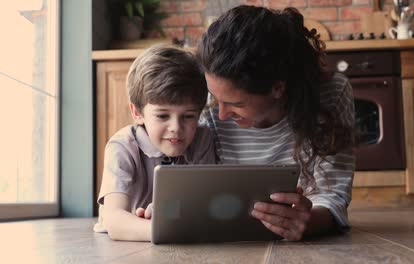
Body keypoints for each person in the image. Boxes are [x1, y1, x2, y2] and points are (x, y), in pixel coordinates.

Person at [197, 5, 355, 241]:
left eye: (236, 104)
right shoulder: (208, 101)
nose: (220, 115)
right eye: (215, 98)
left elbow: (332, 195)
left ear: (277, 88)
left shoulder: (331, 94)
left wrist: (309, 221)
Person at [94, 45, 216, 241]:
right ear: (137, 113)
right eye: (162, 115)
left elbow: (207, 201)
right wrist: (165, 228)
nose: (176, 127)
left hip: (184, 235)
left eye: (188, 116)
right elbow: (114, 221)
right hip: (131, 240)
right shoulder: (122, 147)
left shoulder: (202, 139)